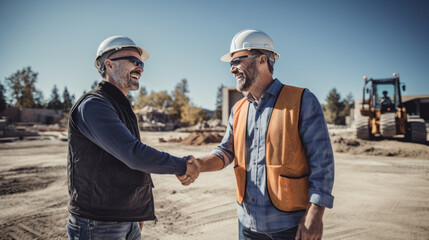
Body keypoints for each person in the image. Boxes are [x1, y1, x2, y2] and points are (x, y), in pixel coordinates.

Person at [178, 29, 335, 240]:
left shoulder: (302, 100)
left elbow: (322, 163)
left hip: (290, 226)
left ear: (262, 60)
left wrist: (315, 214)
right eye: (230, 64)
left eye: (237, 61)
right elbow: (225, 151)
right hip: (248, 225)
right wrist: (199, 164)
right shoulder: (238, 109)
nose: (232, 70)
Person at [66, 35, 199, 240]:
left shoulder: (119, 106)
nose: (141, 68)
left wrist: (136, 210)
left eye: (142, 63)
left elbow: (125, 164)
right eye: (133, 61)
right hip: (98, 223)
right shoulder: (94, 105)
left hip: (125, 219)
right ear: (109, 65)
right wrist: (182, 165)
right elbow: (134, 155)